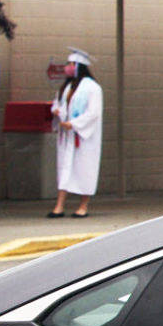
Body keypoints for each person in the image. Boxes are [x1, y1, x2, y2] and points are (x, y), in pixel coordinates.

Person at [49, 49, 103, 218]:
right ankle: (59, 206)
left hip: (83, 137)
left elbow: (93, 113)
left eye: (71, 64)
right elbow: (57, 104)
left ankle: (83, 205)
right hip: (68, 136)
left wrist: (73, 124)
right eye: (68, 64)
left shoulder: (93, 88)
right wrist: (57, 112)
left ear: (80, 67)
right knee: (64, 170)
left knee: (84, 170)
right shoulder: (67, 86)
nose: (68, 67)